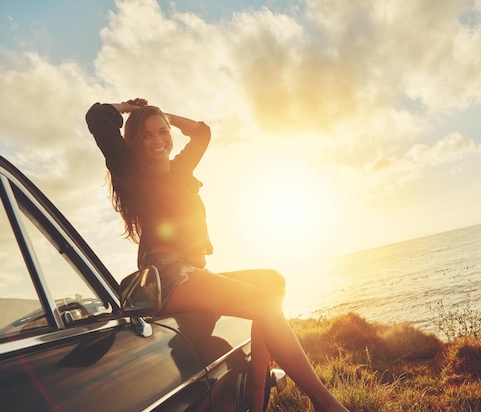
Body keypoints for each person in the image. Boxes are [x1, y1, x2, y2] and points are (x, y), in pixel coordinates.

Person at [85, 98, 350, 412]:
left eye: (162, 132)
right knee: (264, 303)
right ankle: (325, 403)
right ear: (136, 142)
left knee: (272, 283)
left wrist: (160, 114)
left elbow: (201, 133)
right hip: (167, 276)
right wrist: (129, 107)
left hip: (193, 272)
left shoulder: (179, 172)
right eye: (147, 135)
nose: (157, 140)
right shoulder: (131, 171)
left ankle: (255, 392)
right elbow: (97, 117)